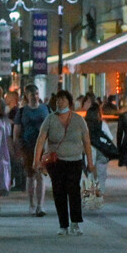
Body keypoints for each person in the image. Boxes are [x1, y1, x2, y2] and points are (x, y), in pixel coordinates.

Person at [36, 90, 95, 235]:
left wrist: (90, 162)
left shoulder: (78, 120)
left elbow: (86, 142)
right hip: (56, 161)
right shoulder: (50, 119)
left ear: (69, 101)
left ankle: (75, 222)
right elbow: (40, 140)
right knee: (59, 192)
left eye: (62, 99)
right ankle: (63, 225)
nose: (59, 102)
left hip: (75, 160)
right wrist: (36, 160)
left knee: (74, 191)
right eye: (57, 100)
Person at [14, 84, 49, 217]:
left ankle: (40, 205)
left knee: (40, 175)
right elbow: (16, 131)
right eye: (31, 94)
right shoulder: (22, 111)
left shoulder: (45, 109)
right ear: (26, 96)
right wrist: (16, 147)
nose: (34, 96)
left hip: (43, 147)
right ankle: (31, 204)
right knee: (30, 176)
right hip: (28, 147)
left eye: (36, 93)